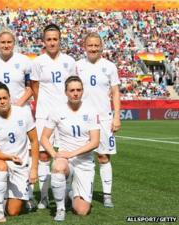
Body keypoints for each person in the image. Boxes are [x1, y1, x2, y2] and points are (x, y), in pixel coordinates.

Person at [0, 28, 35, 209]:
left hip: (21, 112)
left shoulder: (24, 61)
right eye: (2, 42)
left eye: (9, 42)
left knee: (26, 151)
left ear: (14, 43)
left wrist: (18, 104)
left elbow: (31, 87)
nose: (6, 45)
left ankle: (27, 194)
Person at [40, 76, 100, 221]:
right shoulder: (57, 111)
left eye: (78, 90)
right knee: (58, 166)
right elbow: (44, 138)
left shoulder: (91, 111)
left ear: (82, 91)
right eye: (72, 90)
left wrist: (71, 153)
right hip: (65, 161)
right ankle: (60, 209)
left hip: (84, 162)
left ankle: (70, 192)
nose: (75, 93)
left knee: (82, 211)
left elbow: (95, 142)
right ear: (66, 92)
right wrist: (56, 155)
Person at [30, 24, 76, 209]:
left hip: (65, 114)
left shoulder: (70, 61)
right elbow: (34, 86)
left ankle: (65, 194)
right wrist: (42, 105)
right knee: (43, 155)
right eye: (48, 39)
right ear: (43, 41)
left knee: (66, 154)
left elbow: (74, 86)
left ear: (60, 40)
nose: (52, 42)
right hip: (44, 114)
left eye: (55, 39)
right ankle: (43, 196)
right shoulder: (38, 62)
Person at [76, 32, 121, 208]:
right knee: (79, 157)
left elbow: (116, 92)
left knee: (103, 157)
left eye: (96, 46)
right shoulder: (78, 66)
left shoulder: (109, 66)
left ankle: (107, 195)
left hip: (103, 118)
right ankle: (78, 192)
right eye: (90, 46)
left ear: (101, 47)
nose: (93, 49)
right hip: (82, 118)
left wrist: (116, 116)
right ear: (84, 47)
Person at [0, 82, 39, 223]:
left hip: (21, 167)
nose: (2, 101)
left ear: (9, 97)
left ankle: (9, 200)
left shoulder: (24, 113)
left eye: (5, 97)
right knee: (2, 167)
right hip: (0, 162)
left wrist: (34, 169)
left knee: (13, 211)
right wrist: (9, 157)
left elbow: (34, 141)